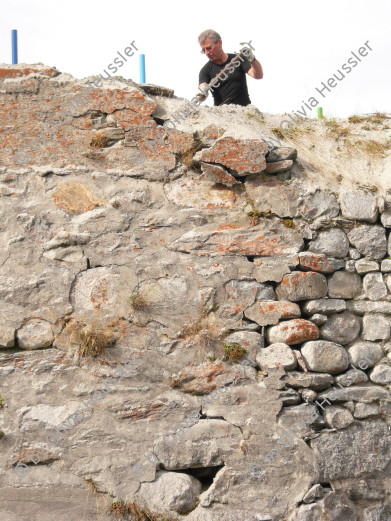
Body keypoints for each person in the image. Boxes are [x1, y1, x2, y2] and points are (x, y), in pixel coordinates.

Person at [196, 29, 263, 107]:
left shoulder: (238, 59)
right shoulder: (206, 70)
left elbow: (258, 75)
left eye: (208, 48)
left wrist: (252, 59)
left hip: (245, 111)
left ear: (219, 43)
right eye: (203, 50)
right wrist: (202, 91)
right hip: (223, 115)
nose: (207, 53)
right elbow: (203, 85)